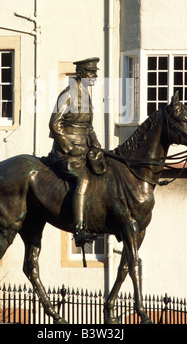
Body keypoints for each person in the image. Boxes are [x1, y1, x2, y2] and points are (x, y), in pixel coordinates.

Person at [49, 58, 106, 247]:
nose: (95, 77)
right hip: (66, 154)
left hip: (84, 150)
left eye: (95, 73)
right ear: (81, 73)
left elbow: (88, 127)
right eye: (92, 73)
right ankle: (79, 229)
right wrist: (69, 147)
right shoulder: (67, 95)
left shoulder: (86, 97)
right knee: (83, 180)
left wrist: (96, 145)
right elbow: (55, 124)